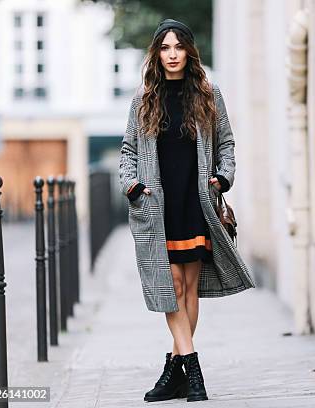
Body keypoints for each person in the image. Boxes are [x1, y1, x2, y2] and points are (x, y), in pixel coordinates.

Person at [118, 18, 256, 403]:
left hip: (195, 204)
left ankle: (174, 371)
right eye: (165, 47)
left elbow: (226, 143)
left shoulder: (209, 94)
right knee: (171, 287)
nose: (173, 54)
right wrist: (132, 186)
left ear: (189, 51)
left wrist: (221, 178)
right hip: (158, 207)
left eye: (179, 47)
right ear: (157, 53)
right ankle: (191, 369)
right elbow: (127, 151)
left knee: (188, 288)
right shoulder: (144, 98)